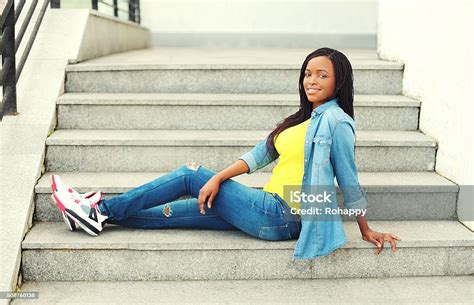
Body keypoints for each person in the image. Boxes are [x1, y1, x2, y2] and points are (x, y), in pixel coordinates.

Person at [50, 47, 400, 260]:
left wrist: (366, 229)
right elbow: (259, 156)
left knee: (190, 174)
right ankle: (98, 219)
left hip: (281, 214)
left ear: (338, 82)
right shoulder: (302, 119)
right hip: (262, 203)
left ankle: (97, 209)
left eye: (321, 75)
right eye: (307, 73)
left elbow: (349, 180)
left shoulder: (337, 122)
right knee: (175, 213)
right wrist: (220, 178)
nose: (311, 80)